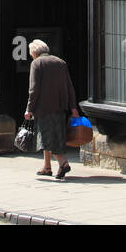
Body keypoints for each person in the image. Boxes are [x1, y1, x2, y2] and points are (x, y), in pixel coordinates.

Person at [23, 40, 79, 180]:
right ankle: (47, 167)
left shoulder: (36, 63)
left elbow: (33, 89)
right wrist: (73, 107)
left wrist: (29, 109)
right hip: (60, 107)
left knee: (47, 138)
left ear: (34, 53)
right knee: (53, 135)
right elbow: (69, 87)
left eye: (31, 54)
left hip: (43, 108)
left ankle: (63, 162)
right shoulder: (60, 62)